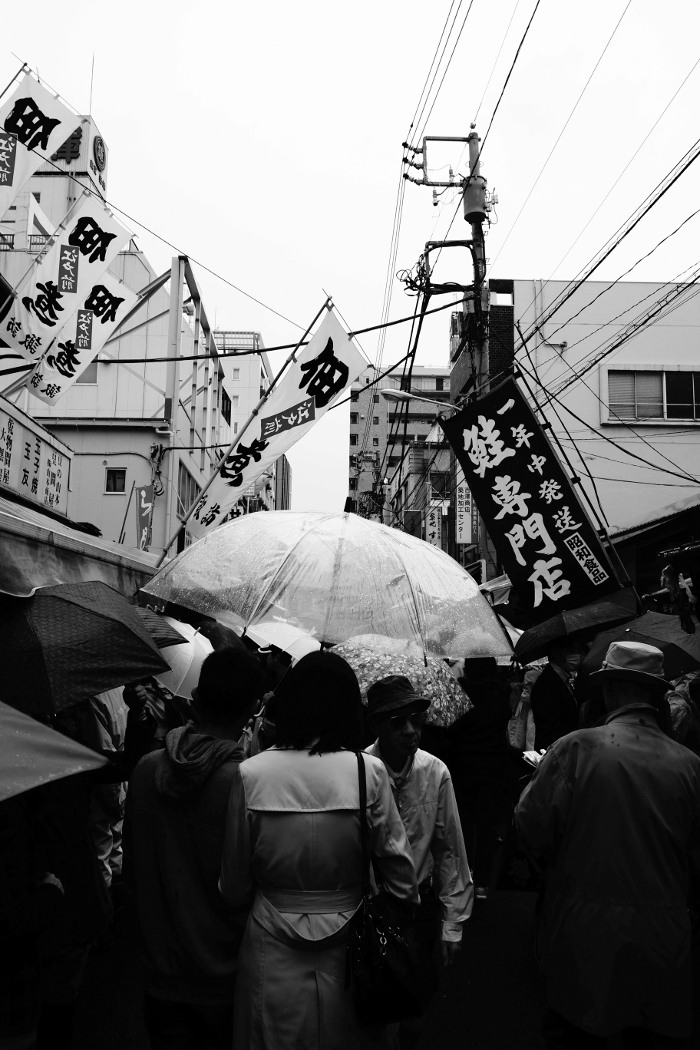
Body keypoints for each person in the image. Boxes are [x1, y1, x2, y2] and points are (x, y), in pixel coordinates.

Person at [220, 651, 418, 1050]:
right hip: (352, 952)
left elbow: (234, 886)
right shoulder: (368, 771)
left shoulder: (251, 774)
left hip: (269, 947)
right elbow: (402, 881)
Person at [515, 641, 700, 1048]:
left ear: (610, 690)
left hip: (583, 929)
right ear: (656, 695)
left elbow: (531, 825)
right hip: (664, 937)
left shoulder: (576, 748)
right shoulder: (690, 764)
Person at [124, 647, 266, 1050]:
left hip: (161, 971)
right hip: (227, 976)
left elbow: (132, 871)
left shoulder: (147, 769)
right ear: (253, 710)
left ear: (198, 699)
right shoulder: (247, 784)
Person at [364, 674, 472, 1049]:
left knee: (415, 1007)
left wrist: (452, 922)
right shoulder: (360, 771)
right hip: (372, 905)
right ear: (377, 725)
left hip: (420, 907)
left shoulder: (434, 771)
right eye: (398, 723)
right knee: (373, 1004)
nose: (411, 731)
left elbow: (449, 849)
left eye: (416, 720)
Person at [448, 658, 517, 900]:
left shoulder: (460, 693)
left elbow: (453, 728)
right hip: (494, 768)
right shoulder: (501, 694)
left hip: (464, 766)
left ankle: (464, 876)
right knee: (487, 826)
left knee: (464, 823)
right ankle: (482, 884)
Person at [529, 638, 585, 752]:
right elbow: (550, 731)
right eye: (571, 650)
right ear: (555, 652)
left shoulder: (564, 679)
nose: (577, 655)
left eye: (578, 650)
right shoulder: (547, 684)